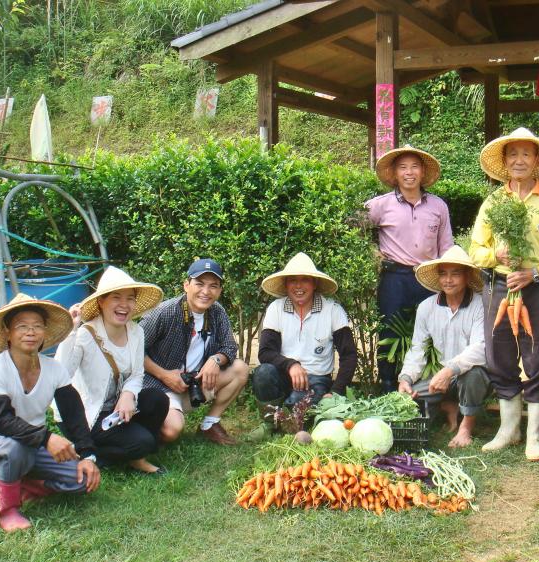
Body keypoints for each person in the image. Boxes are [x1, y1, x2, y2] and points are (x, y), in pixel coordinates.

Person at [470, 127, 539, 461]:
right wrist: (495, 257)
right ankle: (508, 429)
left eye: (526, 154)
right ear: (504, 161)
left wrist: (535, 273)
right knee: (498, 352)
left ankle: (534, 435)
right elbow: (475, 249)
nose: (519, 160)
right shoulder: (495, 201)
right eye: (512, 154)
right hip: (500, 285)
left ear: (537, 160)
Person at [0, 294, 101, 532]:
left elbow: (73, 412)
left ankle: (25, 484)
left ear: (44, 333)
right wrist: (47, 438)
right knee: (13, 448)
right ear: (8, 333)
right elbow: (2, 422)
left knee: (84, 480)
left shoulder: (54, 369)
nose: (30, 332)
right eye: (22, 326)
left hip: (34, 447)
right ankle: (7, 510)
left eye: (37, 326)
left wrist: (88, 455)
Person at [55, 266, 169, 474]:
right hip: (87, 414)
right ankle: (88, 453)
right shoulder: (85, 335)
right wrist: (69, 333)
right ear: (101, 301)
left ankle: (132, 453)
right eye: (116, 298)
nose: (124, 305)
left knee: (157, 399)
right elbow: (61, 374)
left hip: (115, 409)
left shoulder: (136, 332)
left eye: (130, 299)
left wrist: (127, 394)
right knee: (144, 442)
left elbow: (136, 374)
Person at [366, 145, 454, 392]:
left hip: (429, 278)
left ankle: (428, 389)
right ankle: (387, 387)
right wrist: (370, 251)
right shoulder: (380, 205)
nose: (409, 173)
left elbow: (446, 245)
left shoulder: (438, 206)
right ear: (394, 174)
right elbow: (350, 224)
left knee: (430, 334)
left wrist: (448, 278)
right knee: (389, 332)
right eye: (403, 167)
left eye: (414, 166)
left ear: (423, 171)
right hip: (394, 277)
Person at [140, 258, 249, 445]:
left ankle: (209, 425)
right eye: (199, 284)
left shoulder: (217, 312)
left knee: (240, 369)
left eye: (213, 286)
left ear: (220, 290)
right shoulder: (165, 312)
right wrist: (165, 375)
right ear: (186, 285)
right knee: (171, 432)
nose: (206, 292)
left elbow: (229, 347)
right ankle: (141, 429)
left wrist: (215, 360)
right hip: (157, 387)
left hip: (193, 384)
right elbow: (133, 350)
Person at [251, 252, 358, 437]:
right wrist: (291, 364)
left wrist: (336, 391)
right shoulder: (276, 308)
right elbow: (266, 352)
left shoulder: (332, 310)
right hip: (283, 374)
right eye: (293, 280)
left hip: (316, 378)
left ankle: (291, 417)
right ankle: (270, 423)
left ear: (314, 283)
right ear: (286, 284)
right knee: (263, 373)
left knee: (299, 409)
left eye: (304, 280)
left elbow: (349, 356)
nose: (298, 286)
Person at [397, 246, 491, 448]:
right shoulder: (427, 307)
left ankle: (466, 427)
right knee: (409, 395)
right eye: (443, 274)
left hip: (468, 373)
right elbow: (417, 349)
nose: (448, 280)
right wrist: (405, 378)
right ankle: (448, 405)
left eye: (455, 274)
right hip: (440, 376)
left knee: (473, 375)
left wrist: (450, 370)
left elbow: (480, 347)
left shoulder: (479, 305)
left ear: (467, 276)